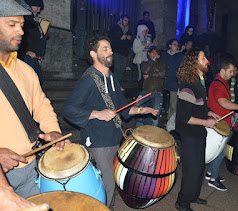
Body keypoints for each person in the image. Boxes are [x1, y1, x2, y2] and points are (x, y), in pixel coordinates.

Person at [62, 35, 158, 210]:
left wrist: (142, 110)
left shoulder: (111, 77)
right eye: (104, 49)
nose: (110, 51)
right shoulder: (88, 80)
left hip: (114, 138)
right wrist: (97, 114)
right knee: (107, 186)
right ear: (93, 54)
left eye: (110, 48)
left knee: (108, 184)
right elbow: (68, 109)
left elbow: (121, 106)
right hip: (97, 141)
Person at [0, 0, 70, 209]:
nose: (21, 31)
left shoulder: (26, 71)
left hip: (29, 170)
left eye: (22, 24)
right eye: (12, 24)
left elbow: (41, 106)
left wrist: (53, 131)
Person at [175, 49, 220, 211]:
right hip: (189, 133)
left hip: (198, 132)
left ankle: (193, 195)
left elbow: (198, 107)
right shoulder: (187, 87)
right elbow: (184, 117)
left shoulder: (199, 81)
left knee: (199, 167)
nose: (206, 60)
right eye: (202, 58)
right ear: (194, 63)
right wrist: (206, 122)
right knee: (191, 169)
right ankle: (182, 201)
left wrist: (208, 113)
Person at [206, 58, 238, 191]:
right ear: (222, 70)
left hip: (222, 123)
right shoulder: (218, 84)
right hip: (218, 124)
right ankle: (213, 179)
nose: (233, 73)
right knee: (220, 152)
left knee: (218, 151)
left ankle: (210, 173)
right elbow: (223, 102)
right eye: (230, 71)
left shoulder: (223, 82)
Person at [135, 46, 166, 127]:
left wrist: (150, 75)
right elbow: (145, 71)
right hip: (145, 91)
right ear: (148, 53)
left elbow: (162, 74)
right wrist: (152, 61)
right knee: (139, 113)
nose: (154, 54)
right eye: (153, 52)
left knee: (155, 116)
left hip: (157, 92)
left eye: (156, 53)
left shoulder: (162, 64)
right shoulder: (144, 63)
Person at [19, 0, 46, 85]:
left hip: (34, 56)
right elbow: (20, 36)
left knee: (37, 81)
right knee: (30, 82)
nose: (38, 10)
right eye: (37, 7)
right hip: (27, 56)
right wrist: (25, 51)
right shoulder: (24, 17)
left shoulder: (33, 18)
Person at [161, 39, 183, 120]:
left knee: (173, 103)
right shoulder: (165, 55)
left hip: (174, 81)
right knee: (161, 99)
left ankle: (171, 120)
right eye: (174, 44)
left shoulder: (179, 56)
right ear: (170, 45)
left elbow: (180, 67)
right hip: (164, 80)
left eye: (177, 45)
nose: (176, 47)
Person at [108, 13, 132, 82]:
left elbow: (130, 41)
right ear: (121, 20)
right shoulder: (115, 28)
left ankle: (117, 85)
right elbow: (111, 39)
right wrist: (120, 38)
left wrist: (129, 38)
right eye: (125, 20)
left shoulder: (128, 30)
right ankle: (115, 85)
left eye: (127, 21)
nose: (126, 22)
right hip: (117, 51)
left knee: (122, 69)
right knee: (117, 69)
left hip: (124, 52)